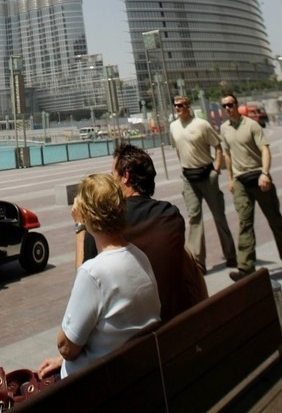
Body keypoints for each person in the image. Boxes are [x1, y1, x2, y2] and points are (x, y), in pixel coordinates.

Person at [38, 173, 160, 380]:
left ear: (86, 216)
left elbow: (66, 347)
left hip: (99, 386)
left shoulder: (94, 273)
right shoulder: (140, 257)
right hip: (136, 371)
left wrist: (79, 226)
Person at [78, 143, 207, 322]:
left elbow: (82, 285)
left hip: (134, 333)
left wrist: (81, 226)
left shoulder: (104, 228)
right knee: (186, 256)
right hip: (178, 325)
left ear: (126, 176)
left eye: (113, 174)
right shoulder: (171, 216)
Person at [220, 92, 282, 280]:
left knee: (275, 221)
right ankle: (246, 268)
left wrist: (265, 172)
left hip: (258, 177)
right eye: (225, 106)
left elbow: (265, 149)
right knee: (245, 223)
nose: (228, 108)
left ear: (237, 105)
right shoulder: (224, 128)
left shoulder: (251, 125)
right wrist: (230, 178)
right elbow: (228, 154)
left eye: (231, 104)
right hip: (240, 181)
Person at [169, 95, 237, 273]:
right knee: (194, 218)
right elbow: (177, 149)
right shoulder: (173, 127)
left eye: (181, 105)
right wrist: (184, 167)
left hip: (207, 175)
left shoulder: (202, 124)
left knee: (219, 216)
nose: (178, 108)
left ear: (188, 106)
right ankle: (198, 262)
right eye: (175, 106)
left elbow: (218, 147)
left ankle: (231, 255)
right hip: (188, 178)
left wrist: (216, 170)